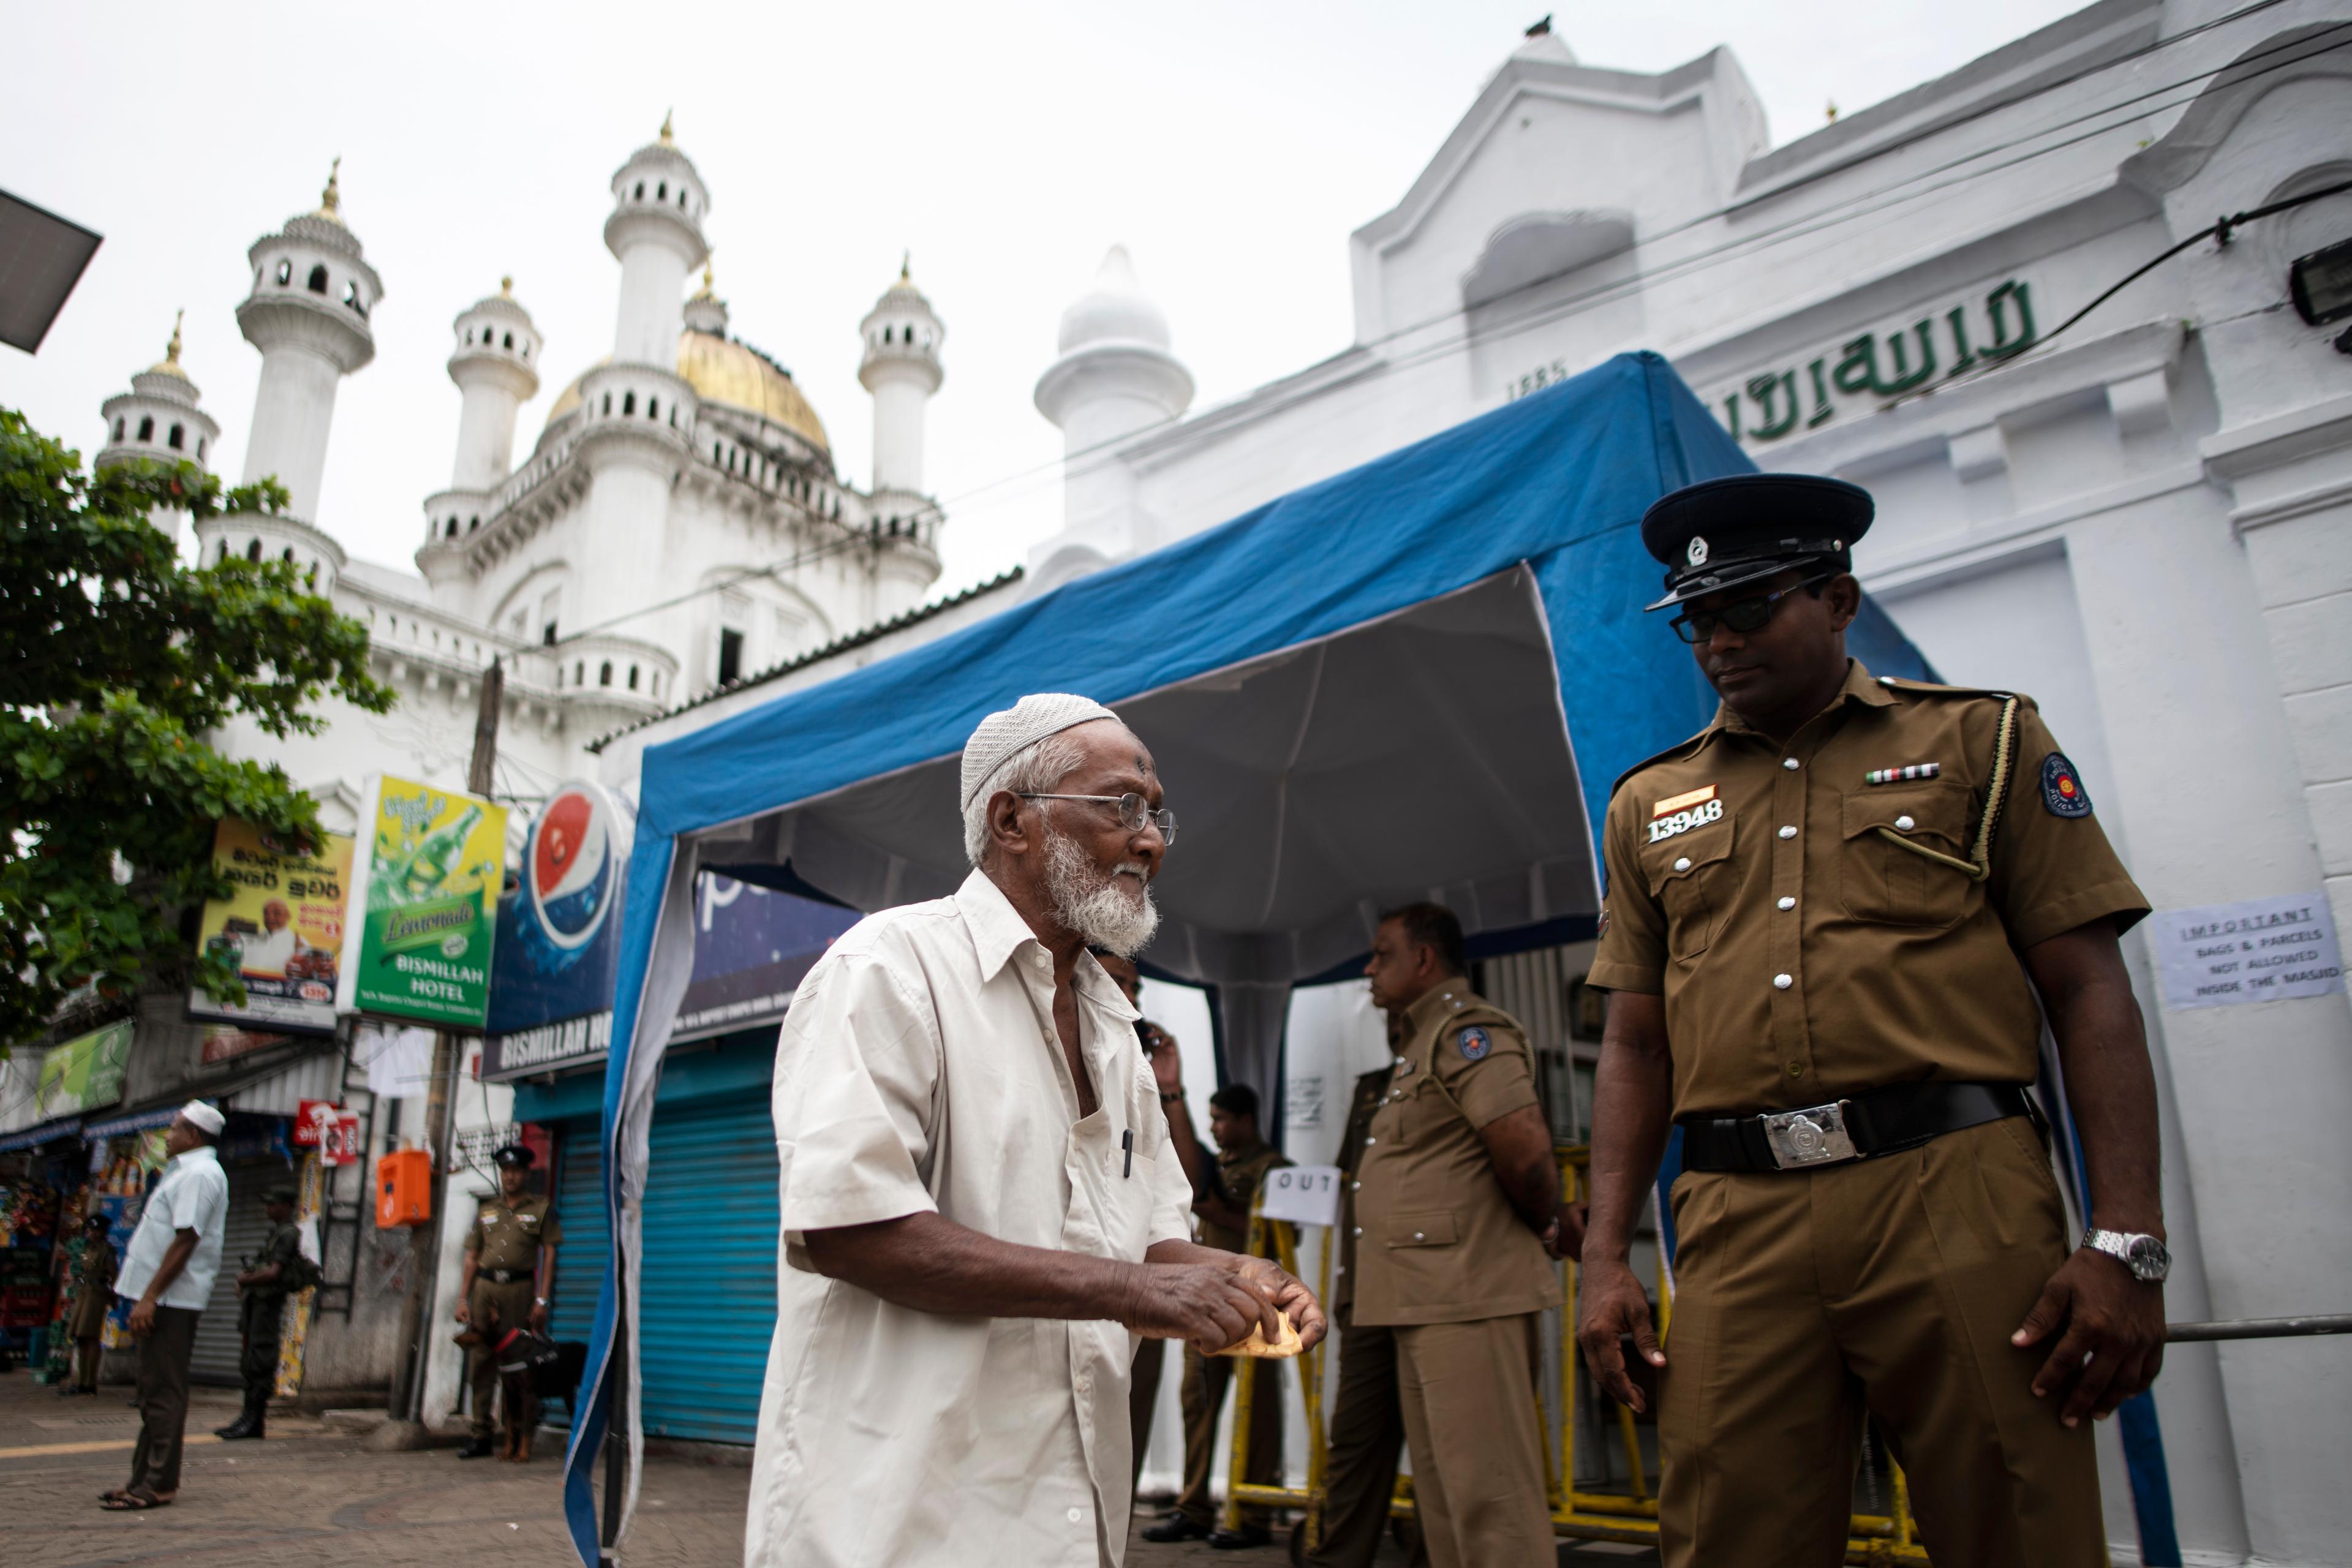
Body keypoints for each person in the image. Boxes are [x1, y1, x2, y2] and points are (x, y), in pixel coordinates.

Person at [1577, 472, 2165, 1568]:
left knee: (2015, 1526)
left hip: (1954, 1188)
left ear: (1839, 600)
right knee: (1725, 1537)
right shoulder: (1649, 804)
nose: (1719, 641)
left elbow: (2088, 991)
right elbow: (1635, 1045)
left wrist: (2126, 1241)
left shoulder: (1982, 742)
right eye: (1697, 620)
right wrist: (1606, 1257)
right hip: (1735, 1213)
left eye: (1750, 607)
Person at [745, 692, 1325, 1568]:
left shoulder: (1115, 1034)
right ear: (1012, 820)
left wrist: (1244, 1275)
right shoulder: (889, 972)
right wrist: (1134, 1294)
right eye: (1122, 805)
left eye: (1158, 814)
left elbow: (1154, 1243)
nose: (1151, 841)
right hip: (897, 1520)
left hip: (1064, 1521)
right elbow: (850, 1229)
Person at [1351, 903, 1578, 1568]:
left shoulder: (1467, 1031)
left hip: (1468, 1294)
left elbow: (1525, 1148)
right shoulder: (1419, 1041)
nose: (1369, 966)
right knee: (1448, 1507)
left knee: (1492, 1505)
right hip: (1425, 1296)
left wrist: (1548, 1220)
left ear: (1425, 959)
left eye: (1383, 952)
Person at [1299, 1011, 1427, 1568]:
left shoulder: (1453, 1068)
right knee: (1354, 1440)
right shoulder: (1371, 1088)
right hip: (1370, 1290)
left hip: (1431, 1291)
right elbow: (1353, 1182)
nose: (1394, 1022)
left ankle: (1435, 1553)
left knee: (1439, 1444)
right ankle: (1338, 1556)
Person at [1143, 1082, 1292, 1549]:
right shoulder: (1211, 1165)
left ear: (1247, 1121)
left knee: (1260, 1413)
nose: (1215, 1127)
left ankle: (1253, 1518)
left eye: (1224, 1119)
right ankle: (1194, 1508)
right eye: (1212, 1119)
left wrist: (1221, 1214)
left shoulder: (1275, 1169)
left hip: (1260, 1306)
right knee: (1197, 1405)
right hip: (1210, 1306)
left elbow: (1285, 1234)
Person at [1093, 950, 1212, 1509]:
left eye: (1136, 988)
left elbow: (1189, 1186)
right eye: (1119, 981)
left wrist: (1170, 1089)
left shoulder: (1138, 1075)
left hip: (1139, 1296)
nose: (1132, 998)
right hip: (1058, 1295)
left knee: (1124, 1445)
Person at [102, 1101, 230, 1512]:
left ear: (192, 1136)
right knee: (152, 1390)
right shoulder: (185, 1172)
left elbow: (186, 1239)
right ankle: (142, 1478)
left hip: (172, 1299)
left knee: (164, 1391)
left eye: (174, 1129)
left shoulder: (200, 1175)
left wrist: (151, 1296)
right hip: (163, 1297)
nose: (167, 1136)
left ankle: (158, 1484)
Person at [453, 1143, 560, 1460]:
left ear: (526, 1173)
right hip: (486, 1289)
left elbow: (551, 1252)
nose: (510, 1177)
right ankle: (481, 1433)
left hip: (519, 1290)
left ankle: (516, 1434)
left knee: (519, 1363)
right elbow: (472, 1256)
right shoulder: (487, 1210)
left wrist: (542, 1299)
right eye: (506, 1171)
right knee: (481, 1362)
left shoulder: (541, 1208)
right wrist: (463, 1297)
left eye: (516, 1171)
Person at [216, 1183, 301, 1441]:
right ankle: (247, 1417)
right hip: (258, 1306)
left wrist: (245, 1280)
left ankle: (254, 1421)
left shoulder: (288, 1234)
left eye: (273, 1204)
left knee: (260, 1360)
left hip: (267, 1308)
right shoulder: (277, 1233)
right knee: (250, 1360)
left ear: (285, 1207)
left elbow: (274, 1272)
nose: (268, 1208)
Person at [60, 1210, 117, 1398]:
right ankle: (81, 1382)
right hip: (84, 1293)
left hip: (96, 1295)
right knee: (80, 1337)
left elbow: (113, 1275)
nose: (92, 1234)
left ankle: (90, 1383)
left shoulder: (106, 1250)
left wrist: (114, 1296)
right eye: (90, 1231)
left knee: (90, 1336)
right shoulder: (88, 1249)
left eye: (96, 1231)